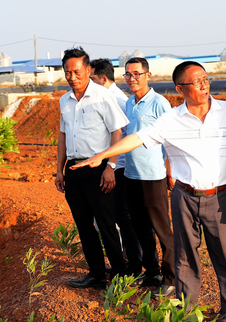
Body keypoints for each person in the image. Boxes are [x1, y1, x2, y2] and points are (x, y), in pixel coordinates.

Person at [71, 61, 226, 322]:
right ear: (180, 88)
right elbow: (138, 137)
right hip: (184, 196)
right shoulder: (172, 119)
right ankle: (187, 315)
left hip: (218, 197)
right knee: (185, 258)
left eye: (205, 79)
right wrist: (103, 156)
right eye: (196, 82)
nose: (204, 85)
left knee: (224, 256)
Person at [55, 47, 129, 289]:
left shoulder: (102, 96)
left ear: (88, 70)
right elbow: (63, 136)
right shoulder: (64, 101)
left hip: (98, 168)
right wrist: (59, 170)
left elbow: (116, 131)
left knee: (106, 223)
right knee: (84, 225)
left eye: (77, 71)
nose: (72, 77)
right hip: (74, 171)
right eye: (68, 72)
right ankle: (96, 273)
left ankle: (119, 275)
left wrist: (110, 166)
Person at [122, 57, 176, 296]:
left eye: (136, 74)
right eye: (128, 75)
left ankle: (171, 276)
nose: (132, 79)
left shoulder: (159, 103)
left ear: (148, 75)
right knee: (141, 226)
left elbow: (172, 140)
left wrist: (170, 171)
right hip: (131, 175)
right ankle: (152, 271)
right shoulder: (128, 104)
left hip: (154, 176)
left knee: (161, 227)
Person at [89, 58, 142, 277]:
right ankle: (127, 261)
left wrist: (112, 165)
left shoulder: (115, 100)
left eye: (92, 79)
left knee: (122, 217)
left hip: (119, 167)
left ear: (102, 79)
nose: (89, 83)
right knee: (116, 217)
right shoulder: (110, 97)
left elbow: (126, 135)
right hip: (114, 165)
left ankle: (133, 264)